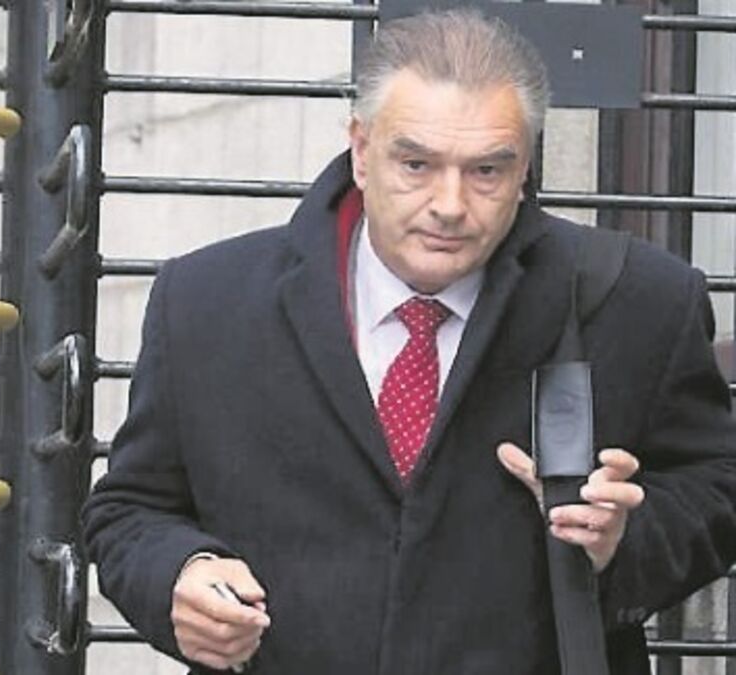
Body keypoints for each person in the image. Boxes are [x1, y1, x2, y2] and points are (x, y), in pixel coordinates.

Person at [81, 8, 736, 675]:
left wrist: (625, 537)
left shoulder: (641, 302)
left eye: (486, 171)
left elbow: (716, 494)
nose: (450, 204)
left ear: (525, 167)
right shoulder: (207, 302)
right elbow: (129, 511)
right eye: (417, 164)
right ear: (361, 150)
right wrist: (182, 575)